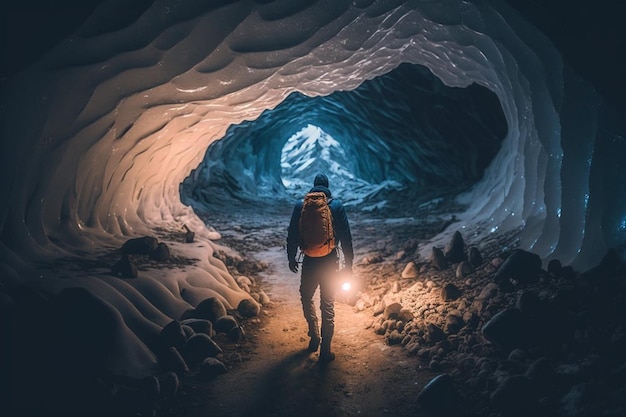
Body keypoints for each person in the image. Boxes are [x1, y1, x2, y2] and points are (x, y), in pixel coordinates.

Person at [287, 173, 354, 362]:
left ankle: (314, 335)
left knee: (306, 296)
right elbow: (346, 238)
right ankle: (325, 349)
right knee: (328, 303)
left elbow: (292, 234)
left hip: (309, 261)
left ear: (313, 186)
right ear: (327, 186)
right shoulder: (336, 205)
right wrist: (348, 265)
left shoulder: (301, 206)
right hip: (329, 260)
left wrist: (291, 258)